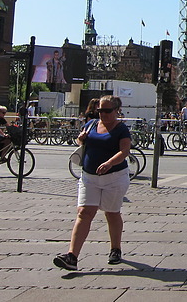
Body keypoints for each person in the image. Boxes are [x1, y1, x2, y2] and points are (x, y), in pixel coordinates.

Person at [54, 95, 131, 270]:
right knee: (84, 212)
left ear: (116, 110)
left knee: (111, 212)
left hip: (115, 177)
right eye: (100, 110)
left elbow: (125, 151)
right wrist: (80, 138)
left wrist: (110, 162)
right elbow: (81, 142)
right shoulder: (91, 125)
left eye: (107, 110)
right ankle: (72, 257)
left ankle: (115, 249)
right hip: (89, 176)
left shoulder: (121, 129)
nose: (103, 114)